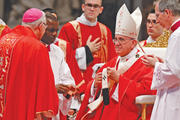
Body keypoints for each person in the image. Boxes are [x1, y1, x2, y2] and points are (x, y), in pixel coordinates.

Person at [76, 4, 156, 120]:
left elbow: (147, 92)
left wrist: (120, 79)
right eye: (116, 39)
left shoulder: (145, 63)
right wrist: (95, 84)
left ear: (133, 43)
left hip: (127, 113)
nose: (116, 43)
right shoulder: (113, 62)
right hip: (106, 111)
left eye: (121, 39)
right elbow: (95, 90)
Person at [0, 8, 59, 120]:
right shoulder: (37, 47)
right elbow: (45, 93)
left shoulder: (4, 40)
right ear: (41, 26)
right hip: (22, 110)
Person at [58, 0, 117, 95]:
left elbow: (112, 60)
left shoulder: (105, 31)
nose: (92, 9)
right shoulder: (69, 28)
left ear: (101, 10)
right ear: (83, 7)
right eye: (89, 5)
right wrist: (86, 51)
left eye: (96, 6)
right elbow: (62, 58)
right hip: (76, 88)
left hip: (99, 89)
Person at [142, 0, 180, 120]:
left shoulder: (176, 36)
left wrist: (156, 64)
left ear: (167, 13)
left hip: (175, 94)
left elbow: (174, 73)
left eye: (158, 16)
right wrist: (163, 63)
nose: (157, 21)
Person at [41, 12, 77, 120]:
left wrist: (67, 89)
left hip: (53, 107)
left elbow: (66, 77)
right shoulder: (31, 49)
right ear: (41, 28)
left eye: (57, 30)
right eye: (51, 30)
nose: (55, 34)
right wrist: (52, 88)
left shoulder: (57, 51)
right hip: (36, 108)